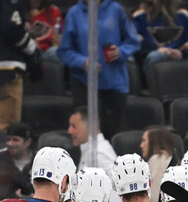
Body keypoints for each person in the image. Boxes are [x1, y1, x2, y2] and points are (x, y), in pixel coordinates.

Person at [59, 0, 141, 138]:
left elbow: (133, 41)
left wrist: (120, 52)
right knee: (85, 134)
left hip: (114, 82)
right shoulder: (74, 13)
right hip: (83, 83)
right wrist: (82, 62)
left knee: (112, 132)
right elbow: (64, 51)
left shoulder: (117, 9)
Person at [0, 0, 43, 131]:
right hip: (7, 68)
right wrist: (33, 48)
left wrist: (25, 31)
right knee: (7, 134)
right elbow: (12, 29)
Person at [132, 0, 188, 78]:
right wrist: (157, 49)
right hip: (153, 55)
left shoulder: (183, 14)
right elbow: (135, 41)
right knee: (155, 56)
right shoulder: (139, 16)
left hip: (181, 57)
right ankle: (156, 88)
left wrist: (182, 52)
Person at [0, 121, 35, 201]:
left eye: (15, 140)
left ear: (28, 142)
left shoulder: (38, 160)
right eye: (8, 139)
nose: (10, 143)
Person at [68, 106, 116, 178]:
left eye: (74, 126)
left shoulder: (99, 155)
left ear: (92, 126)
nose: (69, 131)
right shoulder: (92, 150)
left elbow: (117, 184)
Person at [140, 125, 176, 202]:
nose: (141, 145)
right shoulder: (169, 158)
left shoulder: (157, 160)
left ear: (154, 142)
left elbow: (154, 201)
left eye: (144, 141)